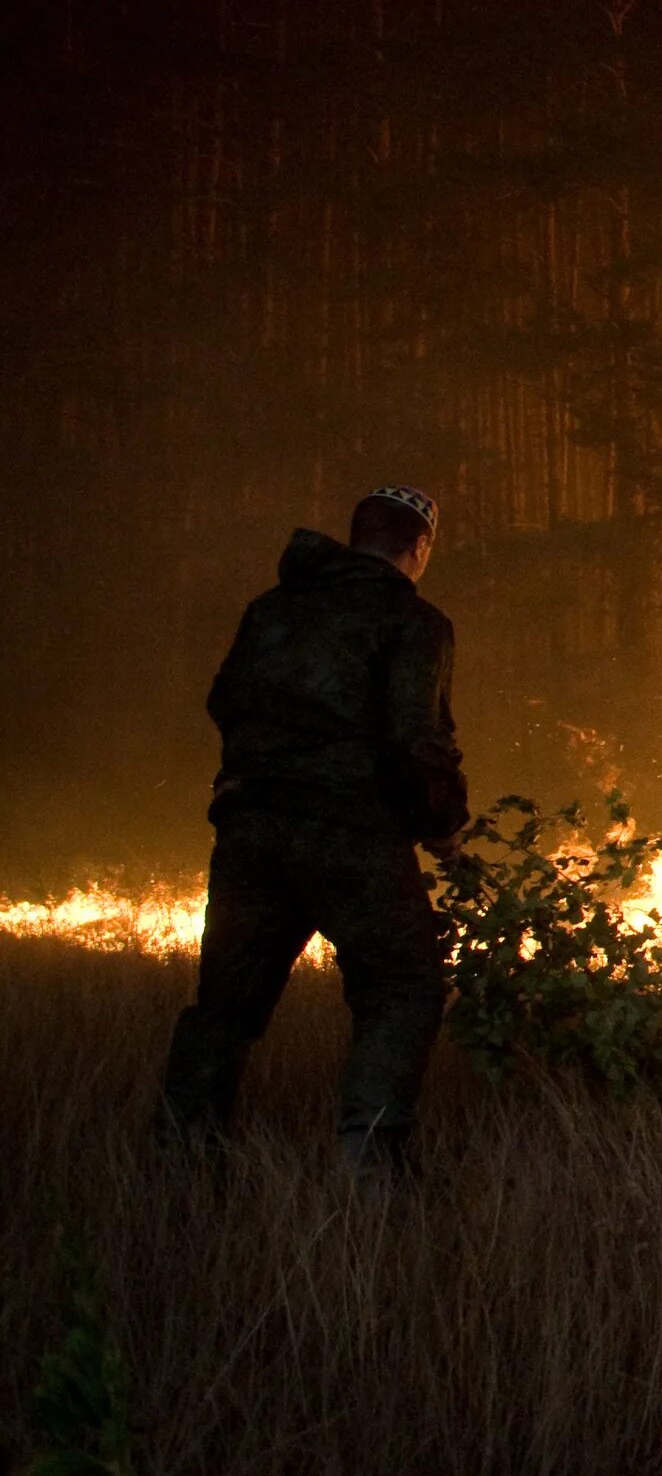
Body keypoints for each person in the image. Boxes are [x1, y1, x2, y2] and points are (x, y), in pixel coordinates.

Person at [157, 486, 468, 1173]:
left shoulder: (271, 611)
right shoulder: (412, 620)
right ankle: (369, 1166)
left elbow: (223, 700)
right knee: (402, 985)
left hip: (250, 830)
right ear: (418, 549)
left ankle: (178, 1156)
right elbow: (418, 739)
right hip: (350, 834)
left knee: (225, 1006)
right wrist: (445, 827)